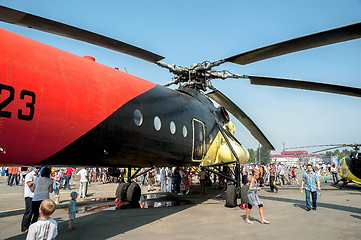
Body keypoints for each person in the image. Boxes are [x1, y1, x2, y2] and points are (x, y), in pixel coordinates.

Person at [21, 167, 41, 233]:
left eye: (39, 168)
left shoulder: (38, 175)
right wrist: (36, 180)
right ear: (34, 168)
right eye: (37, 168)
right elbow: (29, 183)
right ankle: (24, 227)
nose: (38, 169)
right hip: (29, 195)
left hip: (36, 196)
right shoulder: (30, 175)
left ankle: (32, 226)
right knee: (29, 212)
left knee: (36, 213)